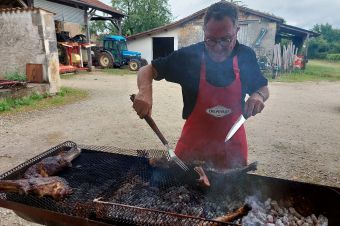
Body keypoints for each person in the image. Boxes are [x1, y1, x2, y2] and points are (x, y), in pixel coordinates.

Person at [132, 2, 269, 169]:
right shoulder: (189, 57)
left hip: (232, 149)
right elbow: (147, 70)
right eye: (211, 40)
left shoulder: (245, 55)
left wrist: (258, 96)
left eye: (226, 39)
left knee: (233, 192)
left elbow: (262, 87)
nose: (218, 48)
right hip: (193, 149)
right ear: (204, 31)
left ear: (236, 31)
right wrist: (145, 92)